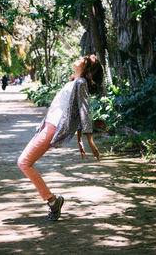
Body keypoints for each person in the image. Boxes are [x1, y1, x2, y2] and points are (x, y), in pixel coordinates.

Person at [18, 54, 104, 221]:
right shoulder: (75, 82)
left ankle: (52, 201)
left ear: (89, 72)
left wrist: (90, 140)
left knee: (24, 162)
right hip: (48, 125)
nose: (81, 57)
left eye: (86, 58)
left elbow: (85, 112)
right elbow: (76, 113)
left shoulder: (80, 83)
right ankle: (52, 201)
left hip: (53, 127)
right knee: (24, 162)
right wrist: (79, 139)